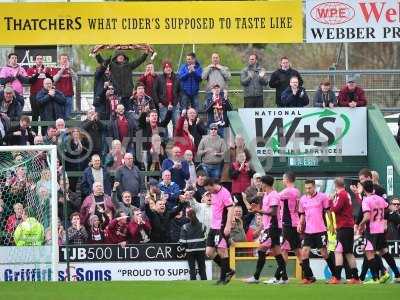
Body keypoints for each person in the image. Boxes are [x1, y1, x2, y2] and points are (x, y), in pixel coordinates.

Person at [244, 175, 288, 284]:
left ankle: (256, 277)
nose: (260, 185)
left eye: (261, 183)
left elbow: (273, 212)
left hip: (273, 226)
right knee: (277, 252)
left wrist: (258, 211)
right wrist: (258, 210)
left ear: (265, 184)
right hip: (270, 226)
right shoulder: (267, 195)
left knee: (261, 249)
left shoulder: (273, 195)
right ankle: (284, 278)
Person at [358, 180, 400, 283]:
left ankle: (376, 278)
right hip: (381, 229)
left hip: (371, 230)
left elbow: (367, 216)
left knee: (369, 252)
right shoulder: (380, 198)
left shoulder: (366, 200)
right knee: (384, 251)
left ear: (364, 189)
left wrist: (361, 224)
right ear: (373, 188)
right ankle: (397, 274)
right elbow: (387, 207)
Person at [298, 179, 334, 284]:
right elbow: (302, 214)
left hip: (320, 230)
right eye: (306, 188)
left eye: (309, 188)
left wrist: (331, 224)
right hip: (308, 231)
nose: (308, 190)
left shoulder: (322, 197)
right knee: (304, 253)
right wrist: (300, 224)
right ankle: (309, 277)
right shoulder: (303, 199)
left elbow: (328, 211)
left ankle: (336, 275)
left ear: (314, 187)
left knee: (324, 253)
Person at [328, 177, 360, 284]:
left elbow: (336, 209)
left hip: (344, 226)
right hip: (346, 226)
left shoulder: (341, 195)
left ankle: (338, 277)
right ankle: (354, 277)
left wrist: (330, 200)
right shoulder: (345, 194)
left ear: (335, 185)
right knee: (344, 252)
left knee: (345, 253)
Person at [204, 178, 235, 285]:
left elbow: (231, 209)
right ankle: (229, 270)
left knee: (222, 251)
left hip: (221, 226)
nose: (209, 192)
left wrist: (228, 225)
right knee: (209, 253)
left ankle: (222, 278)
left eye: (209, 189)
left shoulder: (225, 193)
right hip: (213, 226)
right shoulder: (212, 193)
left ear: (213, 185)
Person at [279, 171, 302, 264]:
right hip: (294, 222)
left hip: (288, 223)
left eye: (283, 178)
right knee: (297, 249)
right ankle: (307, 272)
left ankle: (282, 275)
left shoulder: (287, 191)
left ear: (287, 179)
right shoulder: (297, 191)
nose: (282, 181)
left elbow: (275, 198)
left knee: (284, 249)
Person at [26, 53, 53, 133]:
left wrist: (46, 73)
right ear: (35, 60)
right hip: (34, 95)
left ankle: (45, 135)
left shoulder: (47, 69)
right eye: (38, 59)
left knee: (44, 115)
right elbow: (30, 81)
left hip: (45, 95)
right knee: (35, 115)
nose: (40, 60)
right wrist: (38, 73)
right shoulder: (30, 69)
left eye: (41, 58)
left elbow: (52, 80)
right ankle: (34, 135)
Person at [179, 208, 207, 280]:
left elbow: (182, 242)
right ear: (196, 215)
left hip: (190, 251)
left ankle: (193, 284)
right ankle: (205, 284)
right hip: (201, 250)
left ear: (187, 216)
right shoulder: (202, 225)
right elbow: (206, 239)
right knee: (202, 269)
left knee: (192, 269)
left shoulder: (185, 227)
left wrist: (185, 248)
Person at [153, 60, 181, 126]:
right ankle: (164, 137)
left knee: (177, 124)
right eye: (166, 67)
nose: (168, 69)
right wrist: (158, 103)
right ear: (163, 69)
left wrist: (178, 101)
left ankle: (176, 136)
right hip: (163, 105)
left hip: (175, 105)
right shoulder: (159, 78)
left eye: (169, 67)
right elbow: (154, 91)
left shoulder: (177, 77)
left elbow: (180, 91)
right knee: (164, 125)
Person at [51, 54, 76, 118]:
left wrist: (70, 69)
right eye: (63, 58)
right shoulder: (55, 69)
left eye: (66, 58)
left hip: (69, 95)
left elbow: (76, 78)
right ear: (59, 60)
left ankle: (67, 127)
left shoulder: (70, 69)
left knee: (68, 115)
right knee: (60, 115)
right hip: (59, 95)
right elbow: (54, 80)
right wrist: (62, 70)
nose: (65, 60)